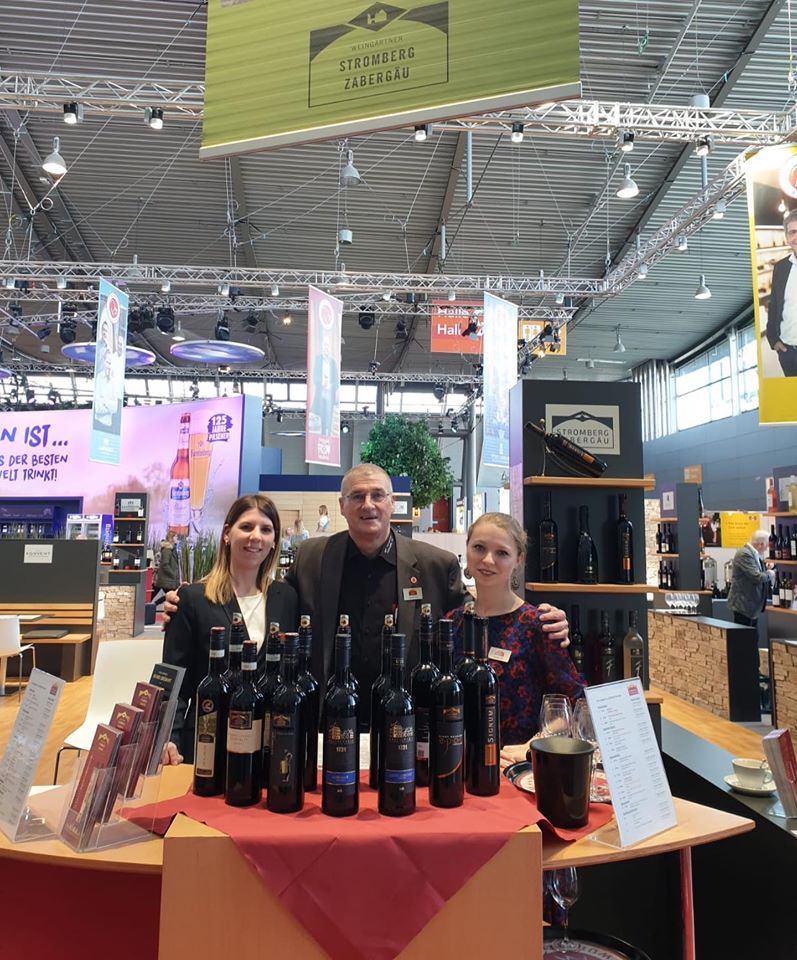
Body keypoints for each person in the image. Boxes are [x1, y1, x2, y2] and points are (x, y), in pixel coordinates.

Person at [164, 464, 569, 724]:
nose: (368, 505)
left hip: (408, 720)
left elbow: (473, 620)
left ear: (393, 503)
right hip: (326, 720)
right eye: (357, 496)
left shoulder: (434, 565)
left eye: (377, 495)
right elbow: (266, 603)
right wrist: (187, 605)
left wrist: (538, 620)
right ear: (341, 506)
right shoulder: (312, 558)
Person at [162, 494, 298, 761]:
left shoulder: (287, 598)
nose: (255, 536)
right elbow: (175, 682)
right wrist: (168, 740)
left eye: (266, 529)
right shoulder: (193, 599)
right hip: (208, 741)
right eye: (246, 527)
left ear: (274, 541)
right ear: (227, 533)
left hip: (269, 744)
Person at [445, 512, 584, 767]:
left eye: (502, 553)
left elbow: (575, 701)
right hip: (457, 767)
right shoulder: (452, 623)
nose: (488, 560)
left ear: (519, 559)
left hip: (514, 769)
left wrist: (534, 745)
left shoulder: (538, 624)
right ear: (467, 550)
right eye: (479, 548)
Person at [766, 208, 797, 377]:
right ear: (787, 237)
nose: (796, 237)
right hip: (789, 353)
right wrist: (774, 340)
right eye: (792, 232)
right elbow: (775, 305)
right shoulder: (781, 268)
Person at [727, 529, 772, 626]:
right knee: (745, 635)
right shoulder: (744, 554)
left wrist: (767, 568)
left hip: (751, 606)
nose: (767, 548)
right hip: (743, 606)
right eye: (767, 545)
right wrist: (770, 574)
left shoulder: (753, 554)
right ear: (761, 544)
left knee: (752, 634)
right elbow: (757, 577)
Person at [151, 530, 180, 605]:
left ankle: (152, 604)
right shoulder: (167, 549)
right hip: (167, 580)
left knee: (169, 595)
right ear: (172, 538)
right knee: (173, 596)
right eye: (176, 537)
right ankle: (153, 604)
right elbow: (165, 564)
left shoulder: (172, 549)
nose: (177, 538)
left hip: (167, 579)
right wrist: (173, 574)